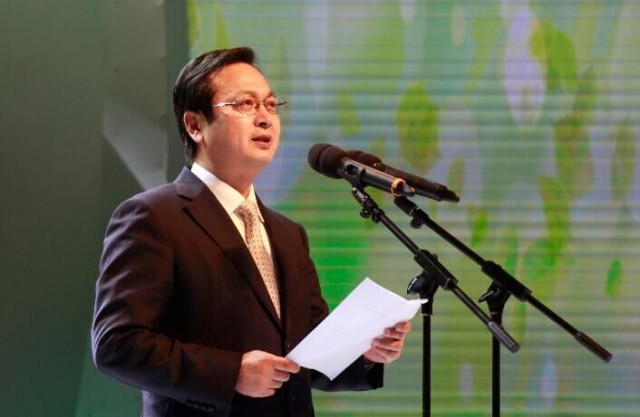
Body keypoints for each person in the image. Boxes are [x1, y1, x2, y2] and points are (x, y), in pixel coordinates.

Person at [92, 47, 411, 417]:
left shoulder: (289, 235)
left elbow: (306, 352)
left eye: (271, 105)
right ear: (195, 125)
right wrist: (231, 374)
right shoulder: (153, 217)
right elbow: (117, 344)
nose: (265, 118)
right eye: (245, 104)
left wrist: (365, 351)